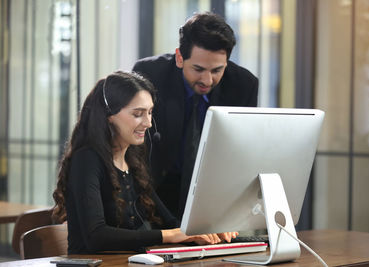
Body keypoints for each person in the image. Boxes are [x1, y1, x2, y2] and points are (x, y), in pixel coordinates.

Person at [52, 71, 237, 254]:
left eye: (150, 112)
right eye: (138, 114)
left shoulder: (132, 159)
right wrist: (169, 236)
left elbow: (171, 224)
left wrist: (204, 232)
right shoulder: (86, 159)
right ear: (109, 115)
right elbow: (96, 236)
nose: (148, 123)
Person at [133, 12, 258, 218]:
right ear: (180, 58)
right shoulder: (149, 74)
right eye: (198, 69)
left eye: (217, 70)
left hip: (214, 195)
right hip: (154, 191)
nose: (207, 80)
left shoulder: (244, 85)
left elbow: (242, 149)